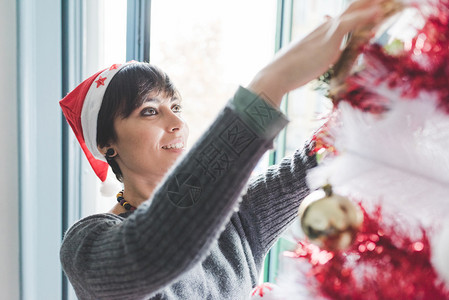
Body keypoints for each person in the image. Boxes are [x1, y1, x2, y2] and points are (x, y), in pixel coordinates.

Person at [60, 1, 384, 299]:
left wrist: (368, 90)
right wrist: (272, 82)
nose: (177, 123)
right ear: (107, 145)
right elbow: (155, 247)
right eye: (149, 110)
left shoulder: (236, 220)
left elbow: (306, 166)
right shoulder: (86, 246)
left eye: (176, 106)